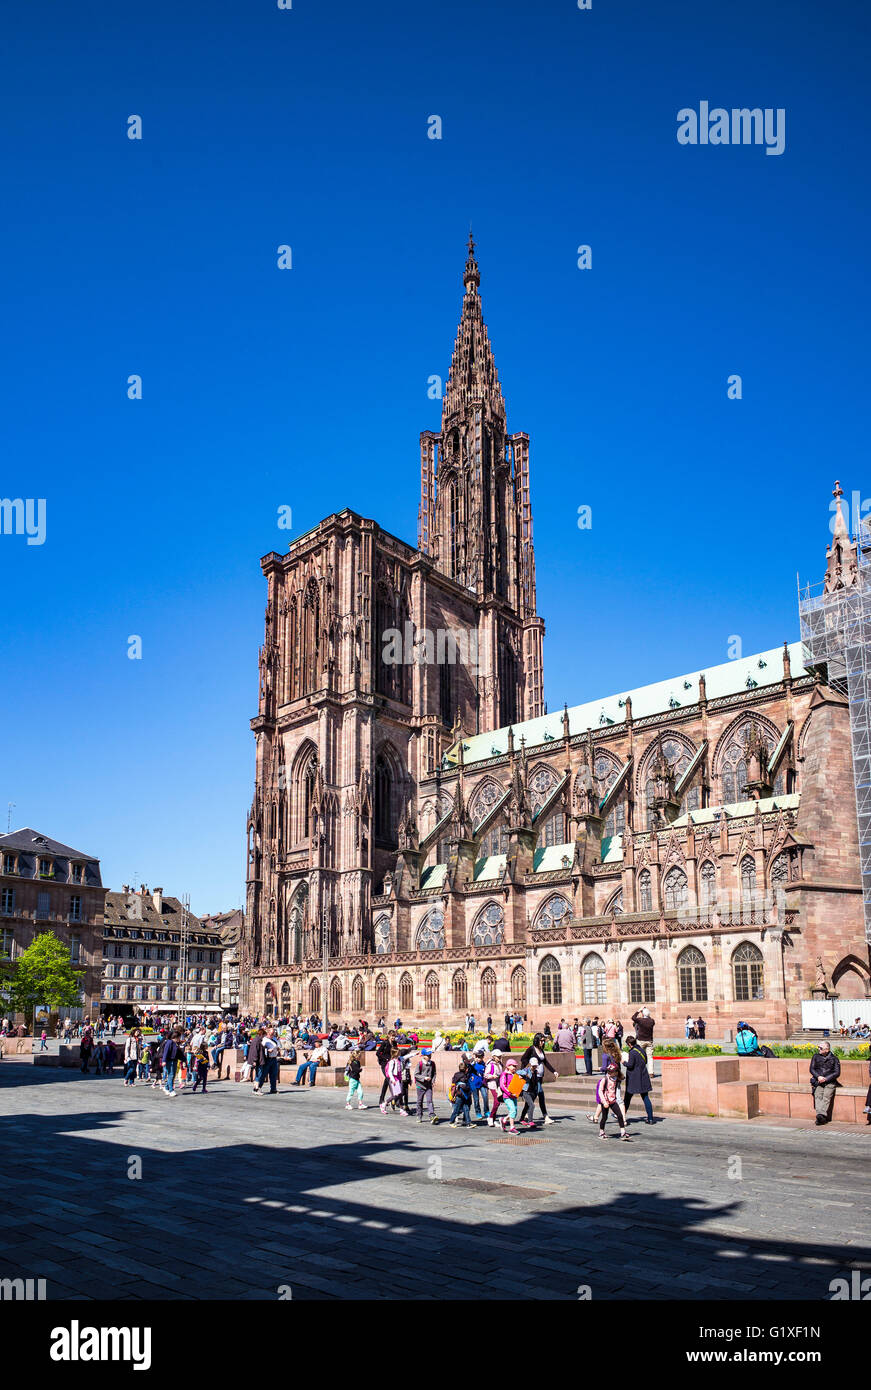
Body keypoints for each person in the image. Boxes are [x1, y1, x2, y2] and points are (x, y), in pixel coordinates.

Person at [519, 1033, 557, 1126]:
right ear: (537, 1040)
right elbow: (523, 1059)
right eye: (541, 1040)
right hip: (533, 1077)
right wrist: (526, 1070)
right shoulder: (531, 1049)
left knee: (532, 1097)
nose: (543, 1042)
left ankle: (525, 1116)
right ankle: (545, 1116)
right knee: (540, 1094)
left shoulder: (541, 1050)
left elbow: (545, 1062)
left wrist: (554, 1071)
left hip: (540, 1077)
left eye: (544, 1040)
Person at [623, 1034, 654, 1124]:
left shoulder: (632, 1052)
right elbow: (645, 1061)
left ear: (629, 1044)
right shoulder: (641, 1050)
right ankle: (650, 1118)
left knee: (627, 1099)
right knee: (645, 1097)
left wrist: (624, 1062)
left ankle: (622, 1116)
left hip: (633, 1079)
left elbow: (630, 1065)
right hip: (643, 1076)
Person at [597, 1059, 629, 1140]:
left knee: (620, 1115)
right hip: (605, 1101)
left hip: (613, 1101)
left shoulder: (616, 1079)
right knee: (604, 1117)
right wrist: (604, 1102)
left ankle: (623, 1132)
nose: (609, 1073)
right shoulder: (605, 1079)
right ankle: (601, 1132)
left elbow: (621, 1078)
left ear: (616, 1072)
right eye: (608, 1072)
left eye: (611, 1072)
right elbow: (600, 1091)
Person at [810, 1040, 840, 1125]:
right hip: (818, 1081)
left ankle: (821, 1116)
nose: (818, 1049)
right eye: (818, 1047)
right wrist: (818, 1077)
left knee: (826, 1096)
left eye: (820, 1048)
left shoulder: (834, 1059)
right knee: (818, 1095)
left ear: (826, 1049)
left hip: (830, 1081)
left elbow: (837, 1073)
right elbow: (812, 1069)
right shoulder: (815, 1056)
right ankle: (821, 1116)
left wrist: (826, 1079)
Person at [414, 1049, 438, 1123]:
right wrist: (424, 1078)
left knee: (429, 1100)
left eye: (430, 1055)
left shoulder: (432, 1063)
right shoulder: (420, 1064)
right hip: (420, 1085)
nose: (429, 1056)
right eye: (428, 1055)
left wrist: (433, 1081)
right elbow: (416, 1075)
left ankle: (432, 1115)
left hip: (428, 1086)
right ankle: (419, 1115)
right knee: (419, 1101)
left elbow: (434, 1073)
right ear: (423, 1056)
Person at [497, 1059, 520, 1134]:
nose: (514, 1067)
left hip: (514, 1096)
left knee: (514, 1112)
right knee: (513, 1110)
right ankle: (512, 1128)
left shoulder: (515, 1075)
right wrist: (510, 1093)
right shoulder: (504, 1074)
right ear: (508, 1066)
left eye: (515, 1066)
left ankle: (504, 1119)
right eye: (512, 1066)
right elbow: (502, 1086)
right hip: (507, 1096)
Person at [630, 1007, 656, 1073]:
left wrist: (639, 1010)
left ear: (643, 1014)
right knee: (650, 1057)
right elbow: (648, 1018)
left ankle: (639, 1071)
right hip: (649, 1040)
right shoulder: (652, 1021)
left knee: (639, 1055)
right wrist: (646, 1013)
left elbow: (633, 1017)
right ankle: (651, 1072)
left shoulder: (640, 1020)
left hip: (641, 1040)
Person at [448, 1061, 473, 1127]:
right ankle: (451, 1122)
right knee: (459, 1109)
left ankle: (468, 1122)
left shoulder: (456, 1074)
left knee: (463, 1108)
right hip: (463, 1095)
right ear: (466, 1069)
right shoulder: (464, 1076)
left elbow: (453, 1082)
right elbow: (465, 1086)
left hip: (459, 1094)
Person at [381, 1048, 403, 1114]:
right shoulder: (392, 1062)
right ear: (395, 1053)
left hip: (399, 1078)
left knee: (400, 1093)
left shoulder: (399, 1059)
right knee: (395, 1095)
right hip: (394, 1079)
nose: (400, 1053)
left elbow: (406, 1057)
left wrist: (414, 1054)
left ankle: (401, 1109)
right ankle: (384, 1104)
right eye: (398, 1052)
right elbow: (390, 1072)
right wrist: (393, 1080)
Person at [161, 1030, 181, 1096]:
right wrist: (164, 1061)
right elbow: (166, 1052)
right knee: (171, 1075)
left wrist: (183, 1059)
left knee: (172, 1075)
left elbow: (179, 1053)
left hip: (175, 1061)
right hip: (169, 1061)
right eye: (179, 1037)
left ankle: (166, 1087)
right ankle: (171, 1090)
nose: (179, 1039)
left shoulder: (176, 1043)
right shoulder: (169, 1042)